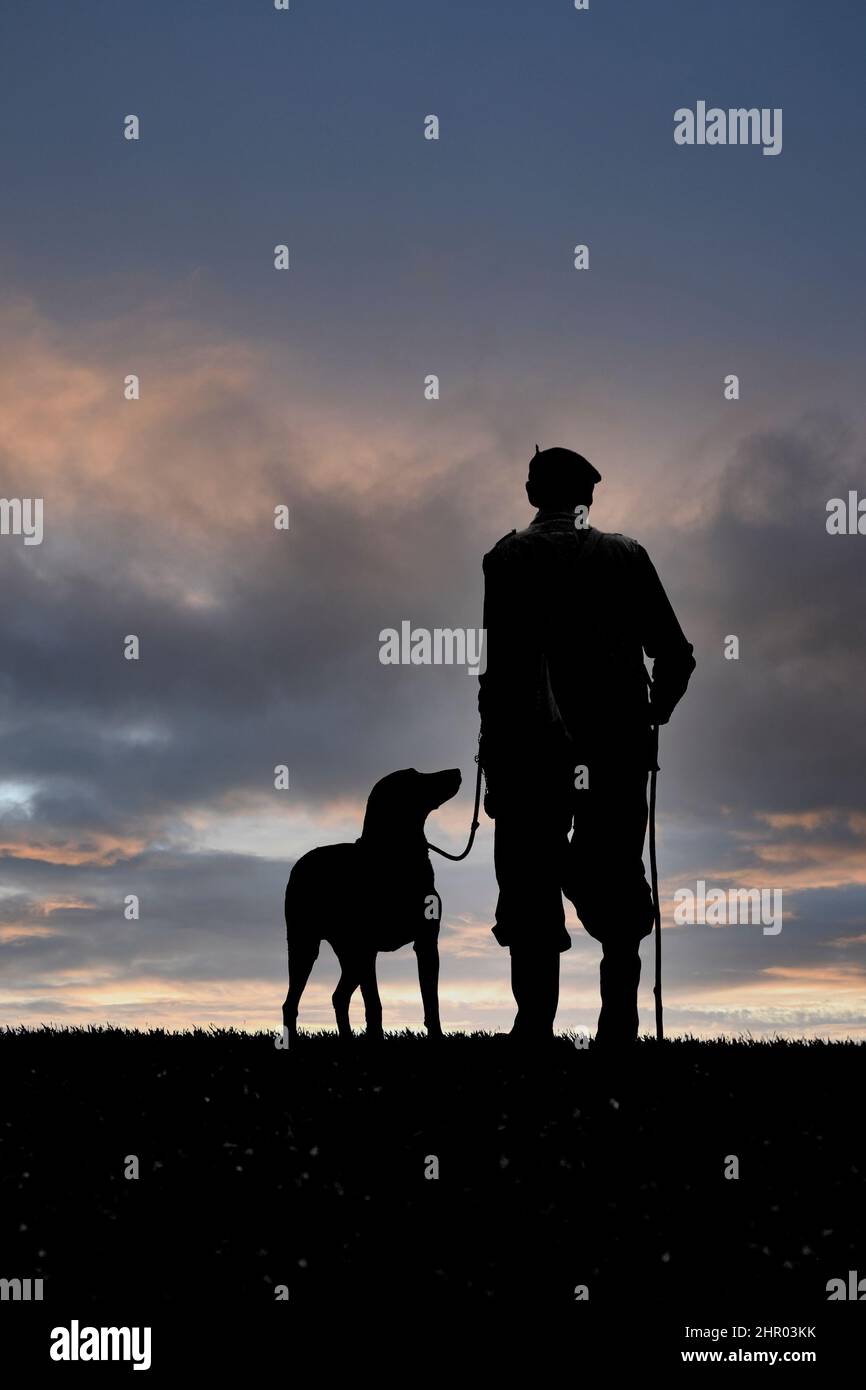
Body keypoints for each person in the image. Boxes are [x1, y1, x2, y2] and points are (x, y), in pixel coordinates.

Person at [478, 446, 695, 1046]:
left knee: (528, 881)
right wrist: (654, 714)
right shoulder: (628, 556)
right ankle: (618, 1032)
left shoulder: (507, 558)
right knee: (618, 882)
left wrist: (494, 759)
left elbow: (498, 671)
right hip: (616, 751)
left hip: (528, 753)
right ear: (589, 496)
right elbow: (676, 654)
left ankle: (532, 1030)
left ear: (531, 494)